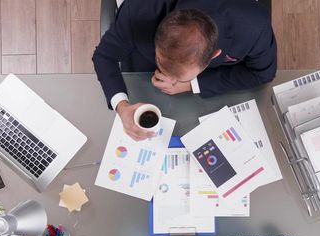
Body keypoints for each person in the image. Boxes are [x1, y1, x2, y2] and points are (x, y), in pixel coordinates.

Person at [92, 0, 277, 141]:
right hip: (144, 69)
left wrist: (191, 84)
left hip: (210, 95)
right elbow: (104, 56)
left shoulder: (253, 27)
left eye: (177, 76)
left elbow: (263, 73)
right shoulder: (139, 10)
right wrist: (122, 106)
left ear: (214, 55)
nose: (170, 80)